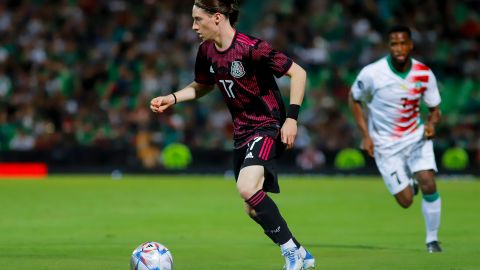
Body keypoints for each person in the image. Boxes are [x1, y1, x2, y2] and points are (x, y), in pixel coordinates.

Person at [150, 1, 315, 269]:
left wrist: (292, 119)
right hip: (242, 134)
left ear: (216, 18)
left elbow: (298, 73)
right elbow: (203, 85)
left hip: (267, 125)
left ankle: (293, 255)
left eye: (197, 19)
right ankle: (300, 252)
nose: (193, 26)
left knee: (246, 188)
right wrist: (172, 98)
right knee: (252, 206)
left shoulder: (252, 48)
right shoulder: (206, 51)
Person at [349, 25, 442, 253]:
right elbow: (354, 99)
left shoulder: (424, 73)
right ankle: (409, 184)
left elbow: (435, 109)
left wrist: (431, 125)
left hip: (415, 138)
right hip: (385, 144)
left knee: (428, 182)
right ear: (388, 46)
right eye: (394, 44)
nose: (399, 48)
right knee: (406, 201)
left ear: (410, 45)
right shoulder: (372, 73)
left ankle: (432, 240)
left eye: (403, 43)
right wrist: (365, 136)